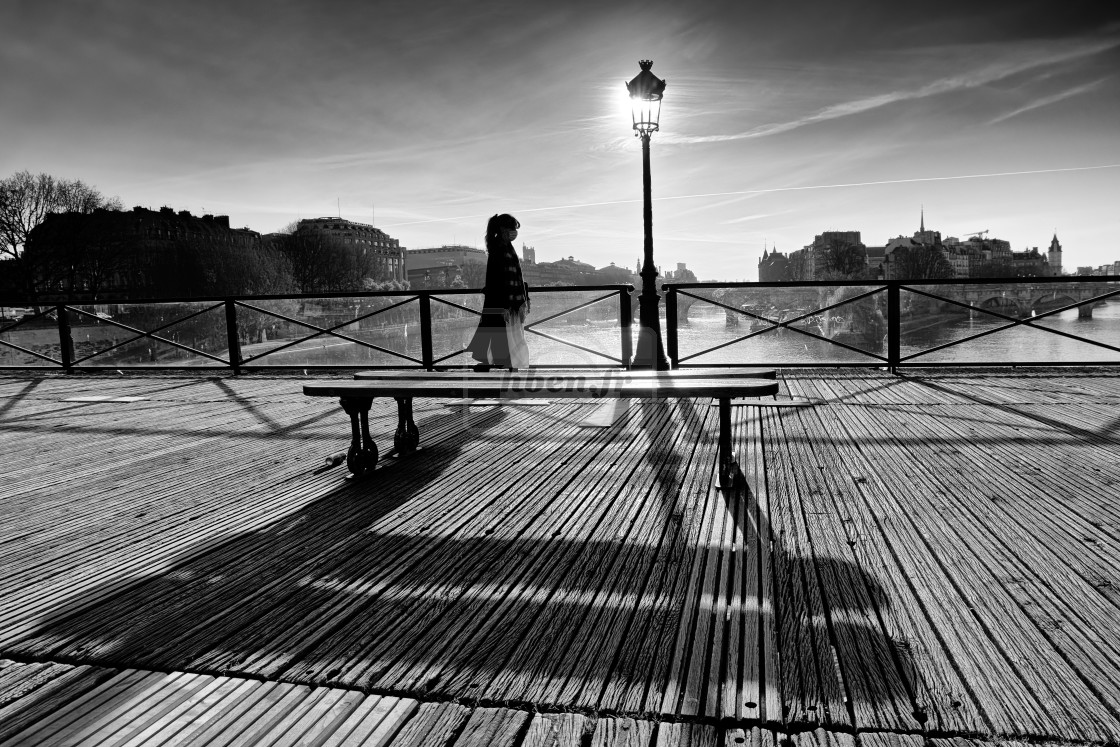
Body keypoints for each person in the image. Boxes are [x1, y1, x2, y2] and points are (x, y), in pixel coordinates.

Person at [466, 213, 531, 370]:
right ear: (503, 229)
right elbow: (496, 278)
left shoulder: (506, 246)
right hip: (504, 302)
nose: (515, 233)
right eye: (512, 229)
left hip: (510, 302)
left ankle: (502, 365)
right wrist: (504, 304)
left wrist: (524, 297)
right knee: (507, 336)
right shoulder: (498, 248)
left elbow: (515, 275)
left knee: (509, 336)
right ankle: (504, 366)